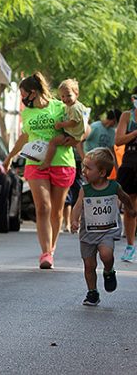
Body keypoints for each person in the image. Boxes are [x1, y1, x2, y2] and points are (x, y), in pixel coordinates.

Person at [4, 72, 76, 269]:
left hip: (61, 162)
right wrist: (10, 156)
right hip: (35, 163)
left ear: (33, 92)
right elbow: (24, 137)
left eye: (23, 94)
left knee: (57, 210)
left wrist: (76, 139)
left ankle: (51, 248)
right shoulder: (27, 113)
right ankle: (45, 254)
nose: (22, 99)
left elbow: (81, 124)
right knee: (43, 207)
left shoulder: (60, 106)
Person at [71, 148, 136, 306]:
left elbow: (125, 197)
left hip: (106, 230)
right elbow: (77, 207)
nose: (84, 171)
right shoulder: (84, 190)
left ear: (102, 172)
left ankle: (108, 270)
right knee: (89, 265)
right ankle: (92, 292)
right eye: (84, 167)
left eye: (88, 168)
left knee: (106, 254)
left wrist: (131, 209)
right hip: (88, 233)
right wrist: (74, 220)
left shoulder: (114, 187)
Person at [39, 79, 86, 170]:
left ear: (76, 94)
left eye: (68, 95)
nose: (65, 99)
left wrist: (61, 125)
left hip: (71, 134)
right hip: (74, 134)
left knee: (53, 142)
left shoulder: (74, 108)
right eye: (62, 96)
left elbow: (73, 123)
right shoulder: (74, 105)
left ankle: (47, 162)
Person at [115, 91, 137, 262]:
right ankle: (130, 245)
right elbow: (119, 140)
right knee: (130, 206)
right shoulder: (127, 116)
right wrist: (135, 133)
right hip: (129, 164)